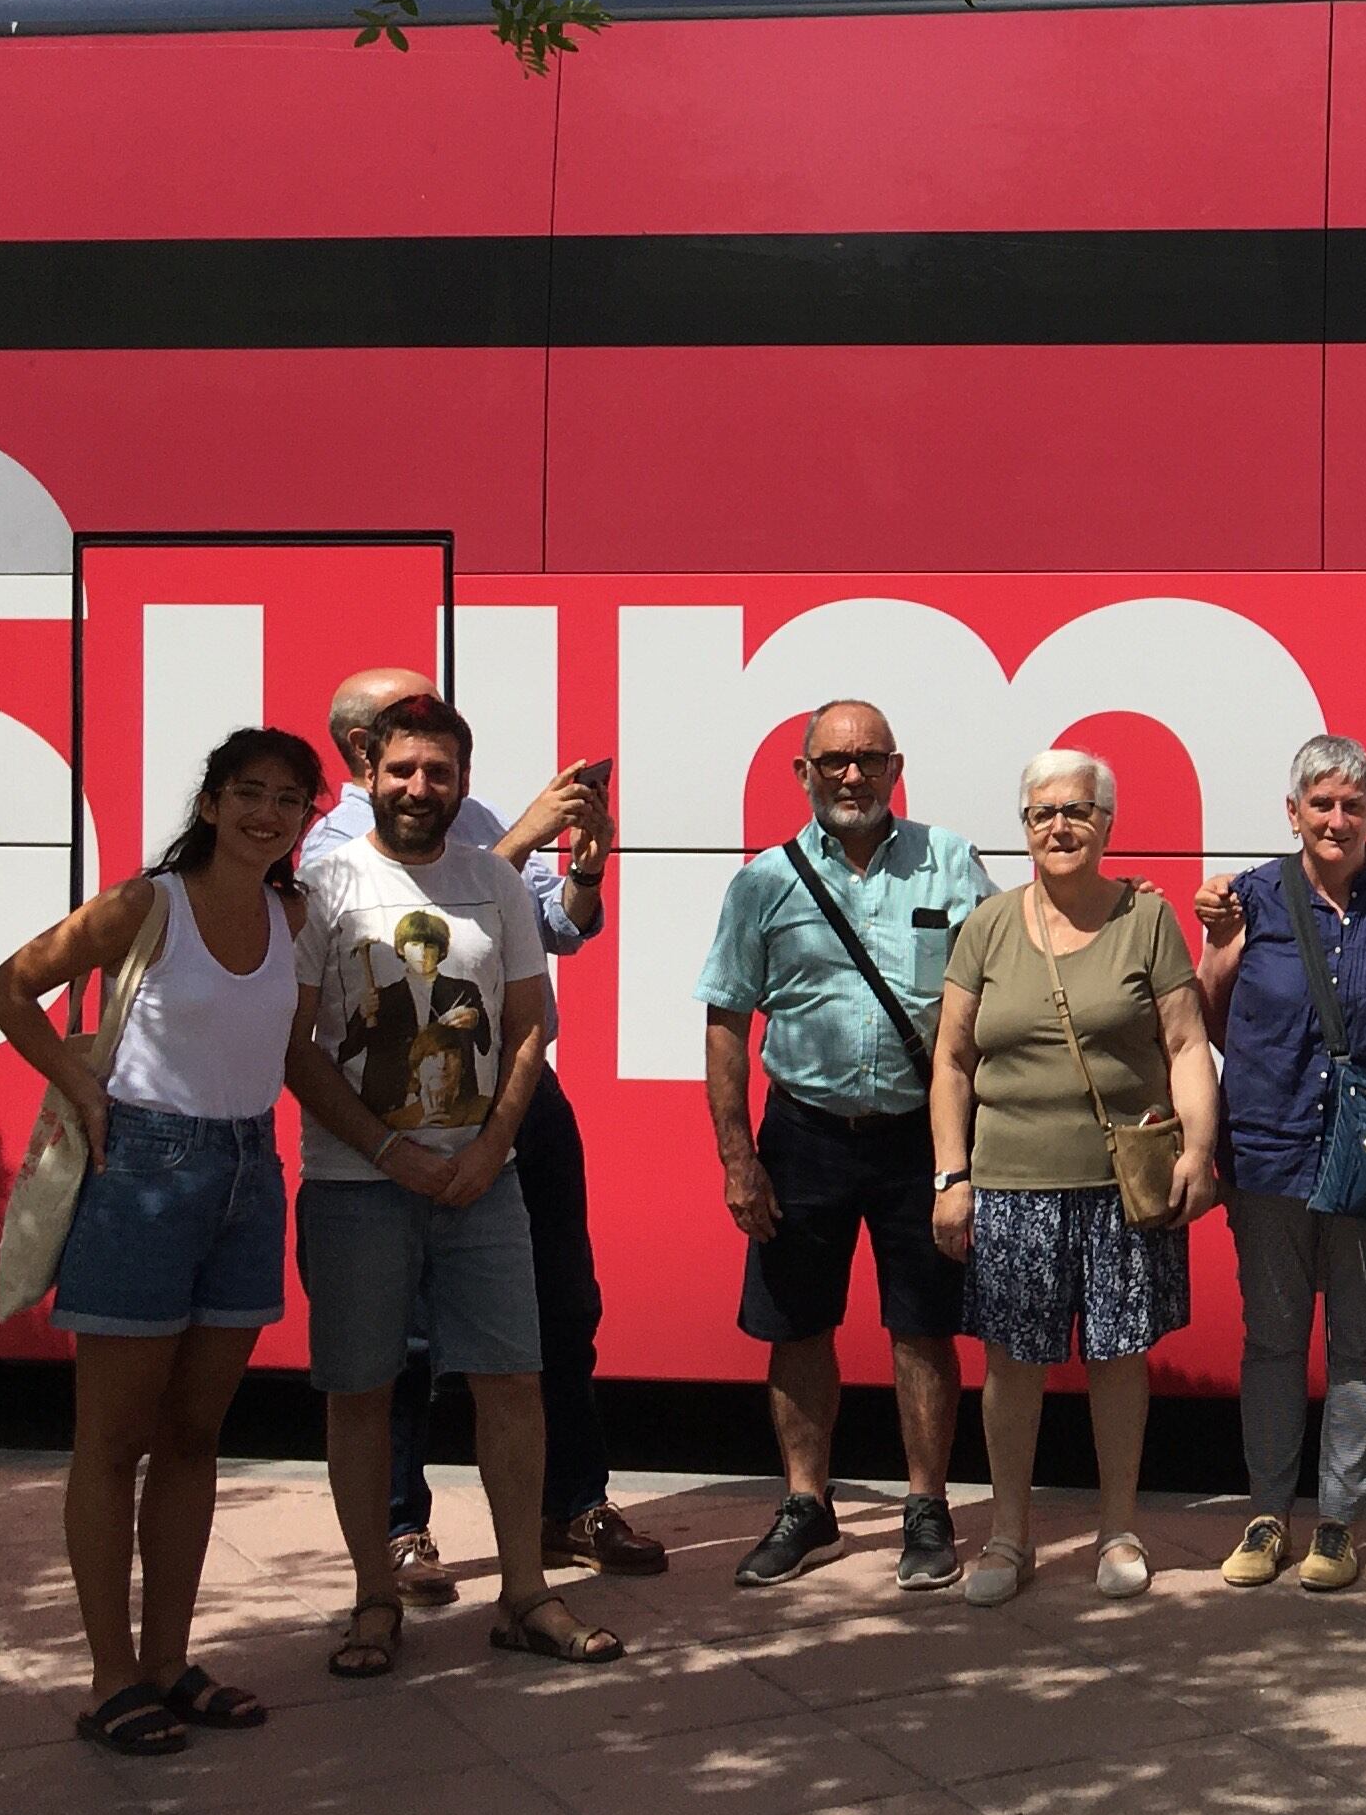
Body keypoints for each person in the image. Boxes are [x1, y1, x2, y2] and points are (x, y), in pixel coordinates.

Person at [0, 727, 326, 1755]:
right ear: (211, 803)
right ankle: (110, 1679)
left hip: (248, 1178)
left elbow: (286, 1045)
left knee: (193, 1436)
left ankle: (170, 1662)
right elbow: (9, 985)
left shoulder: (291, 911)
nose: (268, 814)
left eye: (289, 800)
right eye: (249, 794)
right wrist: (82, 1082)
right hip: (143, 1174)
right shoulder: (148, 904)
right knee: (115, 1439)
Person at [314, 668, 665, 1600]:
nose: (425, 781)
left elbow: (554, 929)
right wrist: (521, 840)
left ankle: (571, 1505)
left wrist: (584, 862)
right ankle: (400, 1531)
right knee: (406, 1347)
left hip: (510, 1096)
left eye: (441, 762)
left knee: (559, 1310)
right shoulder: (330, 846)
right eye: (404, 754)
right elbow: (421, 915)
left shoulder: (481, 823)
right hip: (391, 1117)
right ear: (364, 753)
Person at [698, 699, 988, 1595]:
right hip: (804, 1135)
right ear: (803, 772)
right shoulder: (763, 882)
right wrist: (738, 1160)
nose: (851, 777)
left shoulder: (951, 862)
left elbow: (997, 990)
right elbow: (725, 1021)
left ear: (896, 767)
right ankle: (806, 1506)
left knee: (923, 1325)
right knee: (795, 1324)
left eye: (867, 760)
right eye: (833, 762)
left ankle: (928, 1507)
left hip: (920, 1137)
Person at [928, 748, 1223, 1604]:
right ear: (1024, 829)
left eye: (1077, 812)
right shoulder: (986, 926)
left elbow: (1184, 1045)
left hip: (1120, 1185)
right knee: (1013, 1365)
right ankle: (1007, 1537)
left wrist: (1198, 1152)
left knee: (1118, 1358)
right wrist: (952, 1176)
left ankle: (1118, 1529)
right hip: (1011, 1182)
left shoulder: (1145, 921)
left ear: (1107, 824)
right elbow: (950, 1061)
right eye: (1042, 814)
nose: (1059, 827)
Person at [1191, 734, 1366, 1595]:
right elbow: (1209, 1011)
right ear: (1292, 811)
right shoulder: (1251, 898)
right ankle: (1267, 1514)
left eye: (1352, 806)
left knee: (1359, 1342)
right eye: (1321, 805)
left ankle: (1338, 1523)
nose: (1338, 820)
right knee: (1272, 1340)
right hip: (1267, 1146)